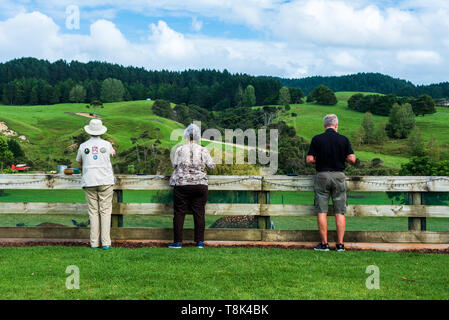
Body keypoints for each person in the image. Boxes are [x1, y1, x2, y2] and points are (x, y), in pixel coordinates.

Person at [306, 114, 356, 252]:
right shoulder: (343, 139)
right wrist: (341, 158)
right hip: (339, 176)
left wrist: (320, 160)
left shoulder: (317, 139)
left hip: (322, 176)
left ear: (324, 126)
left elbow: (309, 159)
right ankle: (340, 245)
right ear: (336, 125)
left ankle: (324, 244)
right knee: (340, 211)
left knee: (321, 211)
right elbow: (352, 159)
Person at [168, 124, 216, 249]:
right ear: (198, 136)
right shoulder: (203, 150)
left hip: (182, 185)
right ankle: (200, 242)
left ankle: (177, 242)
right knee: (199, 213)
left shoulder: (179, 149)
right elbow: (212, 165)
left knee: (179, 212)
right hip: (200, 184)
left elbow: (174, 165)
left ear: (186, 136)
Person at [76, 119, 116, 250]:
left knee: (93, 212)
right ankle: (105, 243)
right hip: (105, 180)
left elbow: (79, 162)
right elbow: (113, 154)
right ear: (101, 131)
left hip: (89, 180)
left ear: (89, 131)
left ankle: (94, 243)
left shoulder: (83, 146)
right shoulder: (107, 144)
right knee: (105, 211)